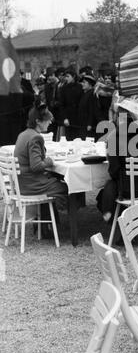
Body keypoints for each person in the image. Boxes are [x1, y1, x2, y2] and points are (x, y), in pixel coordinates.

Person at [96, 98, 138, 243]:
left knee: (108, 188)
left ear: (120, 117)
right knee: (109, 188)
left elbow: (113, 171)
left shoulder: (115, 137)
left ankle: (115, 221)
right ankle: (130, 226)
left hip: (127, 190)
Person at [14, 100, 68, 234]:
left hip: (22, 182)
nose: (50, 122)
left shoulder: (24, 134)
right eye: (48, 120)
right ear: (38, 121)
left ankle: (48, 224)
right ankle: (57, 224)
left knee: (55, 182)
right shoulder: (35, 138)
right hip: (31, 184)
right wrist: (49, 161)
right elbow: (37, 166)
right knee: (67, 187)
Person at [59, 68, 83, 140]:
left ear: (73, 77)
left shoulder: (80, 87)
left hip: (79, 117)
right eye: (65, 77)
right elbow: (62, 105)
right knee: (69, 139)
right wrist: (65, 118)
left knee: (79, 139)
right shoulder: (63, 88)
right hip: (68, 118)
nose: (66, 78)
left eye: (68, 76)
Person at [78, 72, 96, 139]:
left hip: (87, 125)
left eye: (84, 82)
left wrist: (89, 123)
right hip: (82, 123)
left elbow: (92, 110)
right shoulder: (85, 93)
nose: (82, 84)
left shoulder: (92, 94)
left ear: (90, 84)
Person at [44, 68, 60, 140]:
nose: (49, 77)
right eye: (48, 76)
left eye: (51, 75)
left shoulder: (59, 85)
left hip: (58, 112)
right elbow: (47, 100)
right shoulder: (47, 86)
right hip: (50, 112)